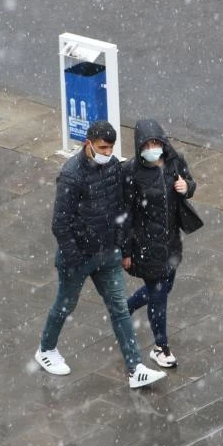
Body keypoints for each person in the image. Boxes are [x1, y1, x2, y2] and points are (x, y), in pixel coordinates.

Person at [35, 120, 167, 389]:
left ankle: (135, 368)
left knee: (119, 308)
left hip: (107, 253)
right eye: (102, 148)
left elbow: (119, 207)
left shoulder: (113, 168)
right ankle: (46, 350)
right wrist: (74, 257)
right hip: (79, 257)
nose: (107, 153)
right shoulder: (71, 175)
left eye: (110, 148)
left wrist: (118, 244)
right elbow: (60, 223)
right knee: (65, 304)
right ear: (88, 144)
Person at [122, 119, 197, 369]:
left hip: (171, 241)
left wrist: (186, 187)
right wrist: (126, 251)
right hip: (146, 245)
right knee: (158, 295)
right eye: (147, 144)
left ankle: (125, 308)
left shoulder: (175, 161)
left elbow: (190, 185)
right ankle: (161, 347)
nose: (152, 148)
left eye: (156, 143)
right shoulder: (132, 172)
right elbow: (126, 216)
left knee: (165, 288)